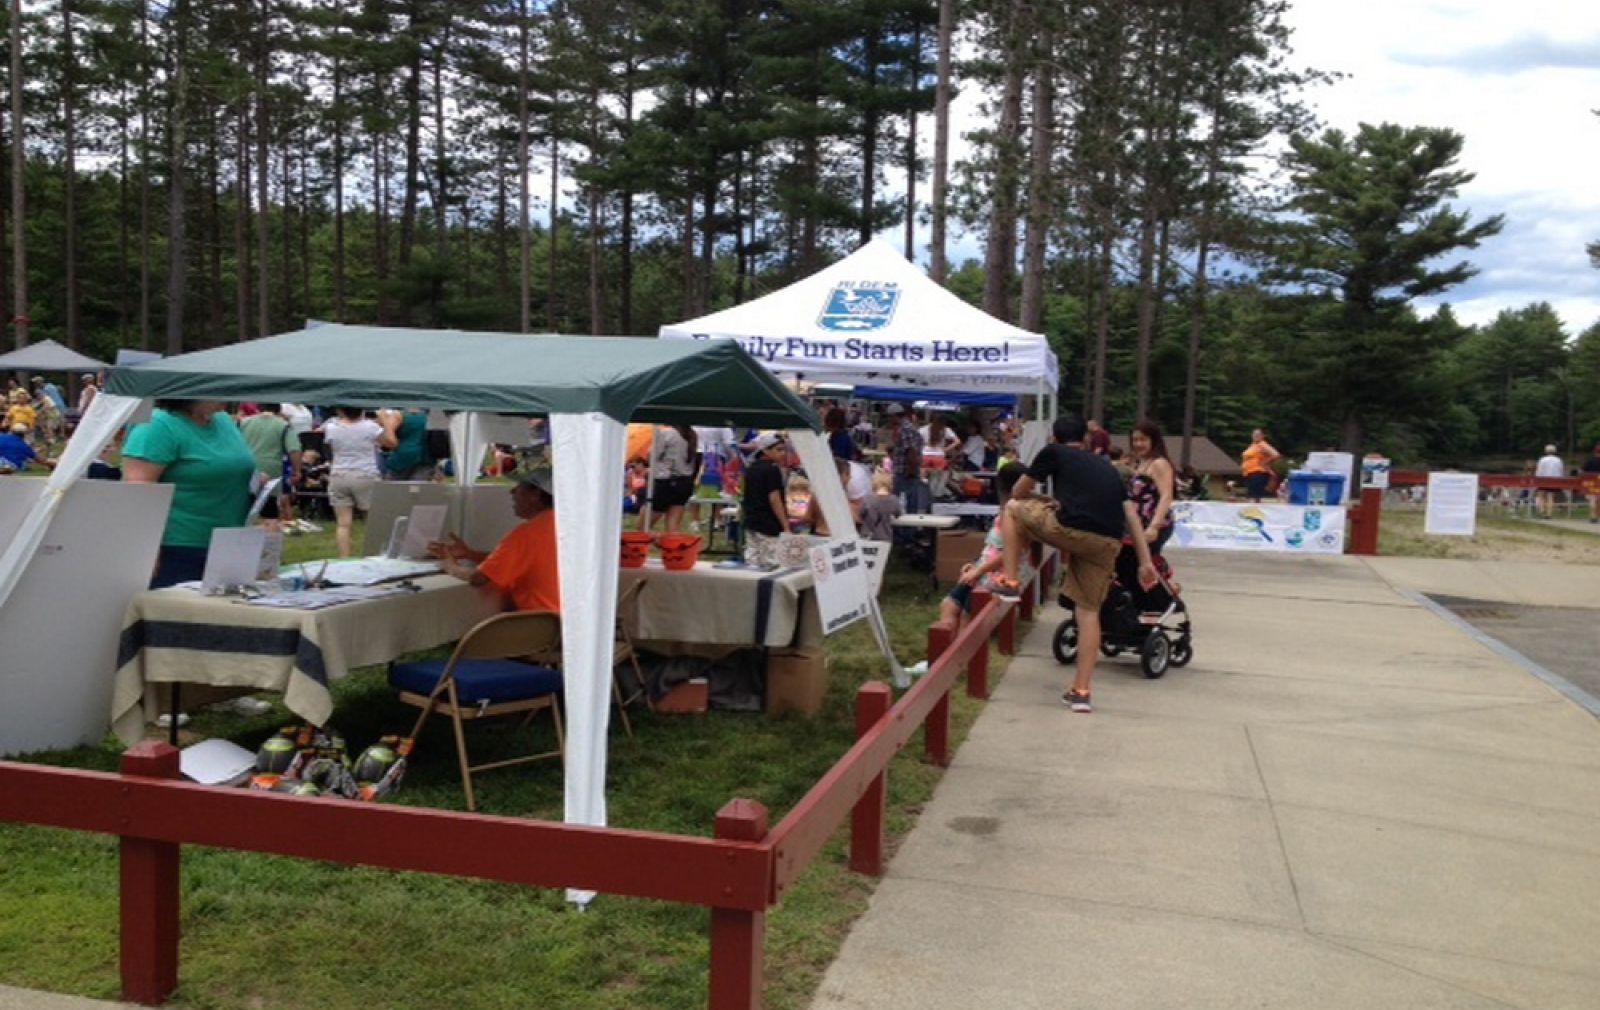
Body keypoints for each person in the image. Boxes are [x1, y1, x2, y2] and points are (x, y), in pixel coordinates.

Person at [993, 415, 1157, 714]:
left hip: (1071, 530)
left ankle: (1010, 582)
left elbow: (1017, 493)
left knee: (1013, 510)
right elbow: (1131, 514)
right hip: (1107, 543)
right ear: (1085, 440)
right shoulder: (1107, 467)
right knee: (1088, 612)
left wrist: (1043, 499)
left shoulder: (1053, 452)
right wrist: (1145, 562)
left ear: (1054, 438)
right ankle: (1081, 692)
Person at [122, 399, 257, 588]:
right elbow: (138, 489)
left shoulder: (223, 420)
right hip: (176, 548)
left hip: (229, 543)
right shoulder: (157, 425)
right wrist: (146, 549)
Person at [431, 468, 560, 612]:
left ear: (535, 495)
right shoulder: (565, 527)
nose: (512, 491)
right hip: (565, 621)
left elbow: (479, 578)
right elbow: (509, 563)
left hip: (537, 621)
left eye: (519, 487)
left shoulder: (527, 533)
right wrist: (470, 554)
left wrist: (450, 566)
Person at [937, 462, 1029, 629]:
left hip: (997, 576)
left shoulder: (1017, 516)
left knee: (968, 615)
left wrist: (979, 570)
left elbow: (1011, 553)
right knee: (948, 605)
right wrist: (975, 564)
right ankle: (945, 641)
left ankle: (960, 643)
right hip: (984, 570)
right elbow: (993, 548)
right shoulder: (1005, 511)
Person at [322, 406, 396, 557]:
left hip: (339, 474)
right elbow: (391, 443)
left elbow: (329, 445)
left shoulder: (331, 427)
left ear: (340, 410)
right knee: (373, 521)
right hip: (365, 474)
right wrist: (386, 422)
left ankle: (344, 558)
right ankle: (373, 555)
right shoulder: (370, 427)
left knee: (343, 523)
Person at [239, 402, 301, 533]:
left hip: (244, 467)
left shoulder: (244, 422)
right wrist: (297, 470)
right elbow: (294, 449)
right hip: (271, 470)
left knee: (243, 508)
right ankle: (270, 541)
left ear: (258, 408)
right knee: (270, 511)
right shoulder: (283, 425)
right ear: (279, 410)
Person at [740, 433, 788, 565]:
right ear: (766, 450)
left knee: (752, 557)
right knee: (772, 560)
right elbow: (774, 498)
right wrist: (785, 525)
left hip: (751, 519)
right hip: (768, 522)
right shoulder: (772, 469)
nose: (783, 453)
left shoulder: (751, 468)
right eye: (779, 450)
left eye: (784, 450)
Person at [650, 423, 699, 533]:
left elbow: (653, 455)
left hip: (666, 481)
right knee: (673, 528)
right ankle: (672, 543)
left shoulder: (667, 433)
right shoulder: (692, 435)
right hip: (684, 482)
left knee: (644, 526)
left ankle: (658, 539)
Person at [889, 404, 929, 513]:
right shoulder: (909, 428)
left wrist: (910, 471)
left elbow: (911, 451)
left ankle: (905, 524)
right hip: (907, 471)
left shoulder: (906, 429)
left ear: (895, 416)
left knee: (903, 503)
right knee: (909, 502)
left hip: (905, 472)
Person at [380, 406, 434, 481]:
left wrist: (384, 420)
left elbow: (390, 441)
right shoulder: (429, 417)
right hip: (426, 458)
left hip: (402, 460)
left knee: (393, 487)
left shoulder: (398, 415)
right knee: (418, 488)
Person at [860, 470, 903, 542]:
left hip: (867, 537)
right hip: (885, 537)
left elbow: (862, 513)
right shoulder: (894, 500)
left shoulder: (867, 499)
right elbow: (898, 513)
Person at [1239, 428, 1280, 502]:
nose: (1256, 436)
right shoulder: (1253, 445)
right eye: (1254, 434)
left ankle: (1257, 506)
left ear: (1262, 436)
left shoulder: (1262, 444)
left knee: (1255, 497)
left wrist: (1265, 462)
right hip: (1249, 473)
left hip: (1257, 472)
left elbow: (1275, 454)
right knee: (1251, 496)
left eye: (1258, 434)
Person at [1534, 443, 1564, 519]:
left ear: (1546, 451)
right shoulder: (1558, 460)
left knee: (1541, 496)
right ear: (1555, 451)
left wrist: (1537, 479)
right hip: (1554, 480)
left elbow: (1539, 471)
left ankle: (1542, 511)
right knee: (1551, 497)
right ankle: (1549, 514)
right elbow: (1561, 471)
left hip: (1543, 479)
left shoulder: (1542, 459)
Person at [1582, 443, 1600, 524]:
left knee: (1592, 499)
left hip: (1591, 484)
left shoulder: (1590, 460)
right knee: (1599, 500)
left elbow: (1584, 470)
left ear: (1595, 451)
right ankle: (1597, 516)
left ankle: (1592, 516)